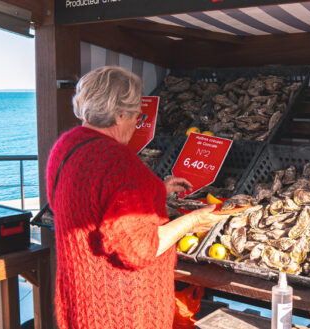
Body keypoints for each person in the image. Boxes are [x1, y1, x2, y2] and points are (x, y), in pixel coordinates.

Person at [46, 66, 228, 329]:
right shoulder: (120, 164)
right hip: (122, 312)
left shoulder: (66, 147)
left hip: (81, 300)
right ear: (119, 114)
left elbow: (89, 201)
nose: (137, 122)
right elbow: (139, 250)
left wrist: (156, 190)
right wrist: (192, 222)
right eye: (135, 115)